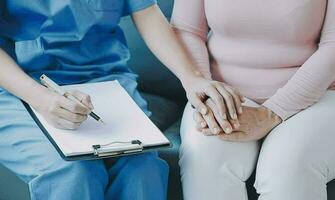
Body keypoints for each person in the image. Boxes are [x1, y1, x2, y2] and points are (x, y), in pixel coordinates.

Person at [0, 0, 242, 199]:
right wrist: (41, 98)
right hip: (19, 86)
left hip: (105, 84)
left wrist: (191, 78)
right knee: (73, 171)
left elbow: (148, 15)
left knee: (142, 169)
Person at [172, 0, 335, 199]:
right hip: (224, 93)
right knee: (204, 157)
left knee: (288, 164)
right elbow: (186, 29)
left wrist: (272, 112)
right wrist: (207, 92)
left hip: (325, 94)